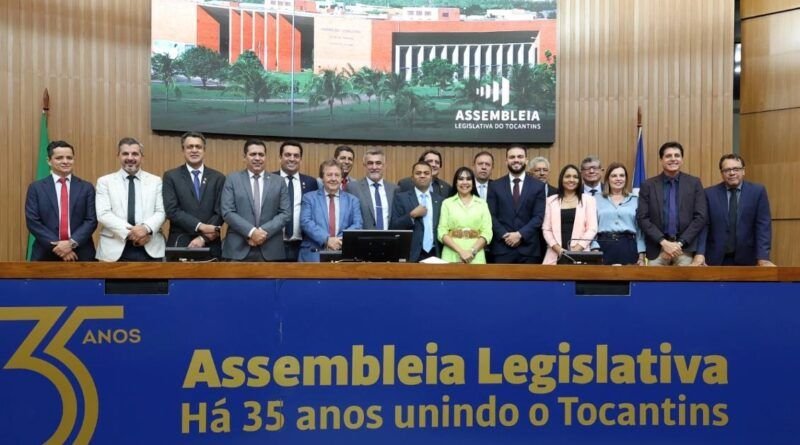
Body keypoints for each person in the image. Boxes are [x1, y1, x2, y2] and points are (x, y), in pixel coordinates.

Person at [694, 154, 774, 266]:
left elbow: (763, 226)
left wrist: (763, 257)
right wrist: (700, 253)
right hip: (715, 259)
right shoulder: (709, 194)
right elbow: (704, 226)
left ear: (743, 171)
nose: (732, 173)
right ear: (722, 173)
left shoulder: (757, 192)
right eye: (727, 170)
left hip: (748, 258)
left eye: (736, 169)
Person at [636, 141, 708, 266]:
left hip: (684, 250)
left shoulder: (694, 183)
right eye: (668, 156)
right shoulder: (648, 185)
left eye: (677, 155)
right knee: (654, 285)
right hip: (657, 249)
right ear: (661, 160)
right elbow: (642, 218)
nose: (673, 159)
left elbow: (700, 217)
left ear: (682, 159)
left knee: (684, 285)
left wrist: (679, 244)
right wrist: (664, 242)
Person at [95, 137, 166, 261]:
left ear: (141, 157)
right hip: (114, 249)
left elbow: (161, 211)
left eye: (135, 154)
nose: (130, 158)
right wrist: (132, 233)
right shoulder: (105, 182)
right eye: (125, 154)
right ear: (118, 156)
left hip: (150, 246)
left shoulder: (156, 181)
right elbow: (103, 214)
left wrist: (145, 229)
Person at [25, 140, 97, 261]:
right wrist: (59, 247)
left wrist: (70, 244)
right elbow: (33, 221)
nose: (65, 161)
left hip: (81, 254)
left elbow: (91, 220)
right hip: (45, 254)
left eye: (69, 158)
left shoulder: (86, 187)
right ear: (48, 161)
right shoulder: (36, 188)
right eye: (59, 158)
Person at [221, 139, 290, 261]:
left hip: (271, 250)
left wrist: (262, 232)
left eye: (261, 154)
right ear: (244, 157)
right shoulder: (232, 179)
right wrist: (251, 232)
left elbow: (285, 213)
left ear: (265, 157)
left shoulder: (279, 181)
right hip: (238, 249)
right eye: (253, 154)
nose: (257, 158)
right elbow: (227, 212)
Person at [162, 131, 225, 258]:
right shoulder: (171, 176)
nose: (194, 150)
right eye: (190, 147)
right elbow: (172, 210)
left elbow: (220, 212)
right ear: (183, 150)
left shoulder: (218, 178)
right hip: (180, 243)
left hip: (210, 243)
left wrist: (203, 238)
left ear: (204, 150)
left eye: (198, 147)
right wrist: (200, 226)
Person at [487, 145, 546, 263]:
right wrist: (505, 235)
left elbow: (539, 216)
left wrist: (520, 234)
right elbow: (490, 215)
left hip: (529, 250)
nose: (516, 160)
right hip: (502, 249)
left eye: (520, 156)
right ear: (506, 161)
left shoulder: (538, 186)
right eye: (512, 157)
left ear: (526, 160)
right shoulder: (495, 186)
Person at [299, 160, 363, 262]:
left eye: (337, 175)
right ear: (322, 178)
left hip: (344, 255)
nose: (333, 179)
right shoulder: (309, 198)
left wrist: (338, 241)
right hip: (313, 255)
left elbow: (358, 225)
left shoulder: (353, 200)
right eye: (329, 175)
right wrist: (327, 239)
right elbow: (305, 222)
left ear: (342, 178)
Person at [542, 164, 598, 264]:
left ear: (579, 180)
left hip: (581, 254)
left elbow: (592, 228)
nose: (571, 180)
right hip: (555, 254)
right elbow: (546, 229)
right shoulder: (550, 201)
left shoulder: (589, 200)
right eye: (567, 176)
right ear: (561, 179)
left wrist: (576, 250)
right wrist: (559, 250)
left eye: (575, 177)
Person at [593, 162, 645, 265]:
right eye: (614, 176)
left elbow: (640, 230)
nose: (618, 178)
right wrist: (594, 248)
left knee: (628, 279)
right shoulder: (596, 199)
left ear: (626, 179)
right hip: (603, 246)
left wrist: (642, 255)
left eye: (622, 175)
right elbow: (591, 226)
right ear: (608, 179)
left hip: (628, 246)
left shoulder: (635, 200)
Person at [390, 162, 443, 262]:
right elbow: (394, 226)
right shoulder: (401, 198)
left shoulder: (440, 200)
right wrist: (412, 215)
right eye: (418, 173)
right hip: (412, 255)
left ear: (431, 177)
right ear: (412, 178)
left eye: (426, 173)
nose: (422, 175)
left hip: (435, 253)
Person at [274, 140, 318, 261]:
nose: (292, 159)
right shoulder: (270, 180)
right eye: (288, 155)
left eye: (296, 156)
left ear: (301, 159)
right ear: (280, 157)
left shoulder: (311, 182)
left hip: (302, 245)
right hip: (274, 244)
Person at [438, 167, 492, 264]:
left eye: (468, 179)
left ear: (473, 183)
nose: (464, 182)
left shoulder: (482, 204)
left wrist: (471, 252)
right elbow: (441, 231)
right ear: (455, 182)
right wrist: (461, 251)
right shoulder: (447, 203)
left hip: (476, 256)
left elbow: (487, 232)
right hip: (451, 254)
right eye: (461, 179)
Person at [347, 149, 397, 230]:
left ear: (384, 165)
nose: (374, 167)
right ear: (364, 165)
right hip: (362, 240)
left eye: (378, 163)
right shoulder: (353, 188)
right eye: (370, 163)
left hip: (389, 240)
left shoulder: (394, 189)